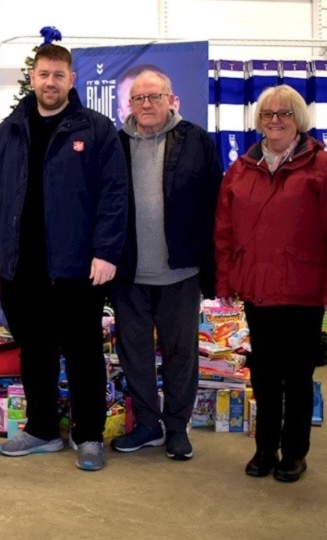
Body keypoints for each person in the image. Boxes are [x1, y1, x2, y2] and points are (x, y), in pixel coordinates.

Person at [0, 44, 128, 471]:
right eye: (43, 74)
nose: (50, 83)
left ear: (71, 80)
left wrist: (106, 251)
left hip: (77, 269)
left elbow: (115, 196)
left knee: (83, 353)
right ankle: (42, 429)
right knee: (35, 352)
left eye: (59, 75)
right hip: (21, 266)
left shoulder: (96, 130)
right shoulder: (10, 130)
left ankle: (89, 436)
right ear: (33, 78)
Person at [215, 84, 327, 483]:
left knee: (297, 378)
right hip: (258, 290)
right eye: (267, 114)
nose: (275, 120)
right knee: (263, 375)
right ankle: (265, 448)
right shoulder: (241, 169)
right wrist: (226, 279)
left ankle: (294, 453)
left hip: (303, 291)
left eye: (284, 114)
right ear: (258, 120)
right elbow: (224, 230)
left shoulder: (320, 166)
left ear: (299, 119)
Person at [109, 70, 222, 460]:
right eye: (138, 99)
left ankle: (177, 428)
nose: (146, 105)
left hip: (181, 271)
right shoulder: (115, 144)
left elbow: (215, 205)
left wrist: (213, 264)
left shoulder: (196, 141)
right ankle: (147, 426)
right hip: (129, 273)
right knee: (134, 354)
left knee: (181, 355)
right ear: (129, 105)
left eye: (154, 97)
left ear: (170, 99)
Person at [116, 64, 180, 126]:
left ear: (173, 104)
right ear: (121, 116)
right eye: (134, 104)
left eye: (155, 98)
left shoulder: (189, 135)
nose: (146, 106)